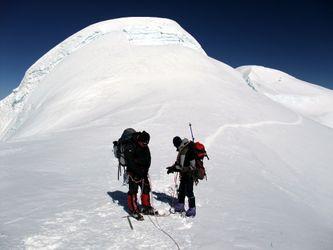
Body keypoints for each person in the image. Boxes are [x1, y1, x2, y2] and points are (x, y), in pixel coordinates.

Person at [124, 131, 155, 219]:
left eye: (146, 143)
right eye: (143, 143)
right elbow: (130, 162)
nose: (145, 145)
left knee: (146, 188)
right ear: (139, 140)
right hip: (133, 172)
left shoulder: (145, 145)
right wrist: (137, 173)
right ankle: (133, 210)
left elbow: (148, 158)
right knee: (133, 191)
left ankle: (146, 206)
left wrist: (145, 170)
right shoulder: (130, 146)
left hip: (143, 172)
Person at [167, 136, 196, 217]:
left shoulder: (184, 151)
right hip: (185, 174)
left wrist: (173, 168)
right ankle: (180, 204)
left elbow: (181, 167)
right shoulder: (184, 147)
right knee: (182, 189)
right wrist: (173, 167)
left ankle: (192, 208)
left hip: (189, 173)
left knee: (189, 191)